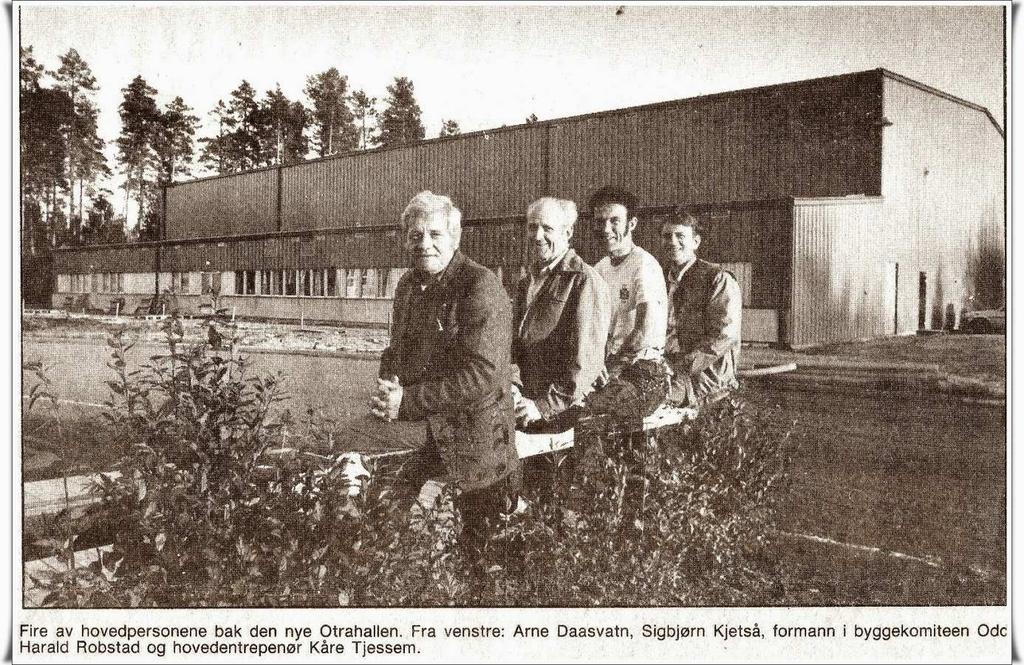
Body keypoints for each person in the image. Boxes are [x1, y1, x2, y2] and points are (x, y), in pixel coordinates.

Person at [370, 191, 521, 558]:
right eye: (416, 235)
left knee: (481, 554)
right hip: (424, 428)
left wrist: (407, 400)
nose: (425, 244)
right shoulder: (407, 286)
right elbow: (396, 351)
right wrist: (389, 385)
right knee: (381, 515)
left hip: (476, 434)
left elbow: (482, 374)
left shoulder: (479, 285)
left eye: (435, 235)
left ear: (455, 237)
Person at [510, 197, 611, 432]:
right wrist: (514, 386)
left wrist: (542, 406)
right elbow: (514, 343)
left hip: (561, 411)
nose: (537, 236)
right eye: (532, 227)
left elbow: (585, 363)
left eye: (547, 228)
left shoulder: (584, 280)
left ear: (567, 233)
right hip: (524, 402)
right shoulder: (527, 281)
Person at [583, 186, 670, 422]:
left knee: (590, 412)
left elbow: (643, 332)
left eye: (614, 221)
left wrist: (610, 368)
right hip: (609, 369)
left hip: (646, 371)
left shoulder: (644, 266)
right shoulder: (599, 269)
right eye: (600, 222)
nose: (606, 229)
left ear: (632, 224)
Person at [658, 207, 742, 407]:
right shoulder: (658, 278)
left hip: (705, 378)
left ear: (696, 242)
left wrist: (680, 366)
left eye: (680, 236)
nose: (672, 242)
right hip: (667, 370)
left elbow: (723, 335)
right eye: (666, 236)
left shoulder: (717, 278)